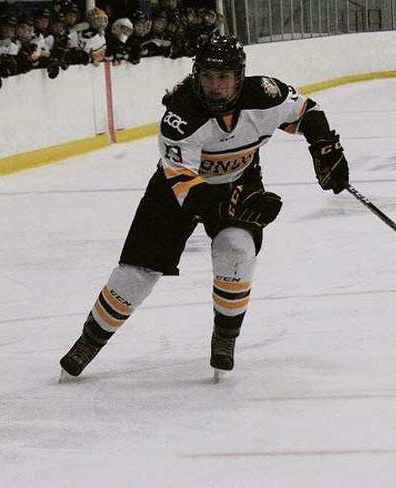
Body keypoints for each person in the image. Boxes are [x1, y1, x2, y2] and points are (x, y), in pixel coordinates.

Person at [59, 34, 349, 380]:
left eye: (224, 77)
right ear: (196, 75)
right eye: (208, 77)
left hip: (240, 180)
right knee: (137, 272)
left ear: (239, 77)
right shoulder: (180, 117)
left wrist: (324, 147)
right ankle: (90, 340)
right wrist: (232, 205)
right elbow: (185, 188)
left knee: (236, 250)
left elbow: (306, 111)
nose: (215, 86)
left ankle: (225, 338)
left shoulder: (265, 95)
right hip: (175, 191)